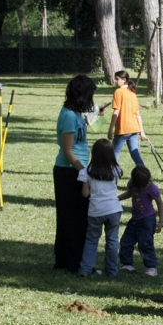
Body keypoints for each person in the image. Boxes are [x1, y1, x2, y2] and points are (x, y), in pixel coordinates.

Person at [53, 74, 96, 273]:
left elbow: (84, 128)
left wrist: (97, 115)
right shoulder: (69, 116)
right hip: (69, 172)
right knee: (72, 218)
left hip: (76, 171)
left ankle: (65, 259)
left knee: (74, 216)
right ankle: (71, 261)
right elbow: (67, 150)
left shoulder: (76, 113)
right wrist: (84, 172)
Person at [77, 139, 123, 277]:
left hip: (96, 210)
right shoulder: (116, 170)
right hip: (114, 209)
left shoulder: (87, 171)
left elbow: (85, 194)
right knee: (112, 241)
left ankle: (85, 269)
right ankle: (112, 271)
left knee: (92, 240)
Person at [118, 165, 163, 276]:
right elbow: (129, 193)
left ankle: (151, 267)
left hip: (148, 219)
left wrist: (160, 222)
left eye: (143, 187)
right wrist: (117, 198)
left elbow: (160, 203)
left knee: (145, 243)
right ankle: (127, 264)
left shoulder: (152, 189)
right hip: (135, 218)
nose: (141, 188)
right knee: (126, 241)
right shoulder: (132, 184)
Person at [107, 70, 147, 165]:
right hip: (134, 130)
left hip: (122, 130)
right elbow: (138, 114)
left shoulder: (118, 92)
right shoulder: (132, 92)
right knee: (135, 154)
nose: (115, 81)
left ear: (124, 80)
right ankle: (145, 174)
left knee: (114, 154)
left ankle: (113, 176)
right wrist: (142, 132)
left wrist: (110, 129)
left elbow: (116, 111)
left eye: (117, 79)